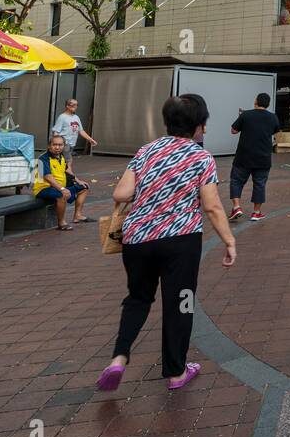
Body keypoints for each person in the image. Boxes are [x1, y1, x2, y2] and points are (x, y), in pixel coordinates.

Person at [95, 94, 237, 393]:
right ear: (199, 126)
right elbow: (211, 206)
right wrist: (229, 239)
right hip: (180, 241)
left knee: (138, 298)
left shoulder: (146, 151)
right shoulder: (201, 158)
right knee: (181, 304)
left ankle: (119, 358)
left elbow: (121, 194)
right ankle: (176, 372)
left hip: (137, 240)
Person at [229, 91, 278, 222]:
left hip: (243, 156)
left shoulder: (246, 115)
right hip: (263, 157)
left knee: (236, 181)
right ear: (267, 104)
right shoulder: (273, 117)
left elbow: (233, 130)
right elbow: (274, 131)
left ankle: (237, 207)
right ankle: (256, 212)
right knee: (260, 184)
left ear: (256, 102)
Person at [34, 133, 90, 229]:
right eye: (54, 145)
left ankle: (77, 216)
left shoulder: (61, 156)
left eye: (60, 145)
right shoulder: (43, 159)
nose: (57, 147)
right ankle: (61, 223)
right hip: (44, 189)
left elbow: (67, 170)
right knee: (62, 195)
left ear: (63, 146)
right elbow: (48, 177)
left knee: (84, 188)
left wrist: (78, 180)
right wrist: (62, 189)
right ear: (49, 146)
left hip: (58, 187)